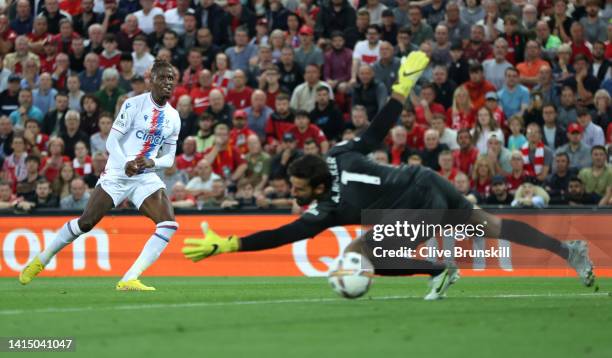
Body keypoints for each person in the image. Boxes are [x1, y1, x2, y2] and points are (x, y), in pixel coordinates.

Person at [182, 52, 595, 300]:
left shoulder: (328, 208)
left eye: (299, 189)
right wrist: (401, 88)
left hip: (416, 206)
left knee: (364, 252)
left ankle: (439, 269)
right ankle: (569, 250)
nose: (296, 194)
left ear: (318, 185)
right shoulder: (340, 153)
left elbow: (283, 235)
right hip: (425, 179)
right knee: (491, 224)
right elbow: (377, 130)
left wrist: (231, 244)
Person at [19, 60, 182, 291]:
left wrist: (152, 162)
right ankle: (42, 259)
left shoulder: (174, 117)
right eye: (163, 77)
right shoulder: (133, 105)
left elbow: (170, 158)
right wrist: (126, 161)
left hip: (145, 176)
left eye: (171, 79)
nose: (168, 83)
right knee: (86, 222)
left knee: (168, 224)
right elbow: (112, 140)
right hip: (117, 173)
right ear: (152, 80)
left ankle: (129, 278)